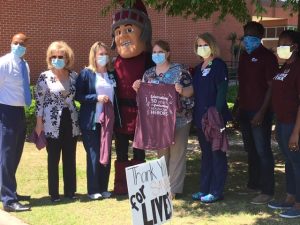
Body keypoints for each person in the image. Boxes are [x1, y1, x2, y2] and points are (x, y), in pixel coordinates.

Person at [132, 40, 194, 199]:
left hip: (180, 119)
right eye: (154, 52)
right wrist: (138, 88)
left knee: (177, 154)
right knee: (161, 155)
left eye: (160, 52)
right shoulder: (148, 74)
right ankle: (160, 188)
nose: (157, 55)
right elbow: (144, 99)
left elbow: (191, 90)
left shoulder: (180, 70)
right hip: (158, 122)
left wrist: (181, 90)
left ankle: (173, 190)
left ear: (168, 53)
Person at [111, 0, 154, 195]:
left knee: (139, 151)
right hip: (120, 114)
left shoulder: (149, 60)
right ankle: (120, 185)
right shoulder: (115, 63)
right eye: (118, 32)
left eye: (128, 29)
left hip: (140, 115)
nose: (122, 36)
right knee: (120, 151)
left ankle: (138, 187)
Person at [236, 21, 278, 205]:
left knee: (263, 151)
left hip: (260, 112)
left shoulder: (268, 57)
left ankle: (267, 191)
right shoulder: (244, 56)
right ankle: (254, 184)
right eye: (246, 34)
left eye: (252, 35)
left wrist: (262, 112)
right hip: (244, 110)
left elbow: (272, 87)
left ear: (260, 37)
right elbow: (243, 83)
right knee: (250, 150)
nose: (247, 39)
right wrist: (237, 105)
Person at [35, 41, 80, 202]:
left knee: (70, 157)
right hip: (51, 123)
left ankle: (70, 191)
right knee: (53, 158)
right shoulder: (44, 77)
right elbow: (39, 103)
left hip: (71, 121)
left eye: (60, 56)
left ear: (67, 57)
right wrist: (38, 124)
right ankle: (54, 193)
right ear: (49, 58)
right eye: (53, 56)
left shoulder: (74, 76)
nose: (57, 59)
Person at [76, 41, 120, 200]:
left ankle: (104, 188)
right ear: (93, 56)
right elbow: (78, 96)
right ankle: (93, 190)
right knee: (94, 155)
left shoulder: (111, 74)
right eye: (100, 54)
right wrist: (97, 98)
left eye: (106, 54)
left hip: (108, 122)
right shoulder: (86, 73)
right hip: (92, 122)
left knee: (106, 153)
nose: (104, 57)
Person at [191, 33, 231, 203]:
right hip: (200, 118)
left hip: (214, 118)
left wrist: (217, 112)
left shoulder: (219, 65)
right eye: (199, 45)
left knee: (217, 154)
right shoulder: (199, 68)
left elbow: (222, 91)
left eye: (205, 44)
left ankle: (216, 191)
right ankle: (204, 189)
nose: (202, 48)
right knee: (206, 154)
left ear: (212, 44)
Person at [268, 30, 300, 219]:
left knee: (297, 163)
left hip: (293, 125)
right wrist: (276, 125)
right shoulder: (284, 67)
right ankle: (290, 197)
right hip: (282, 123)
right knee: (289, 162)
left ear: (295, 46)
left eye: (284, 44)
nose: (280, 47)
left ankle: (298, 204)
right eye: (279, 43)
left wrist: (296, 132)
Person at [0, 33, 31, 212]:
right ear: (11, 43)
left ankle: (8, 190)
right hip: (6, 111)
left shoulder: (24, 64)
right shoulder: (4, 63)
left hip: (19, 111)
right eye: (15, 43)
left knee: (15, 155)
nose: (18, 46)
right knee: (7, 155)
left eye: (22, 43)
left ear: (27, 46)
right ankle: (9, 200)